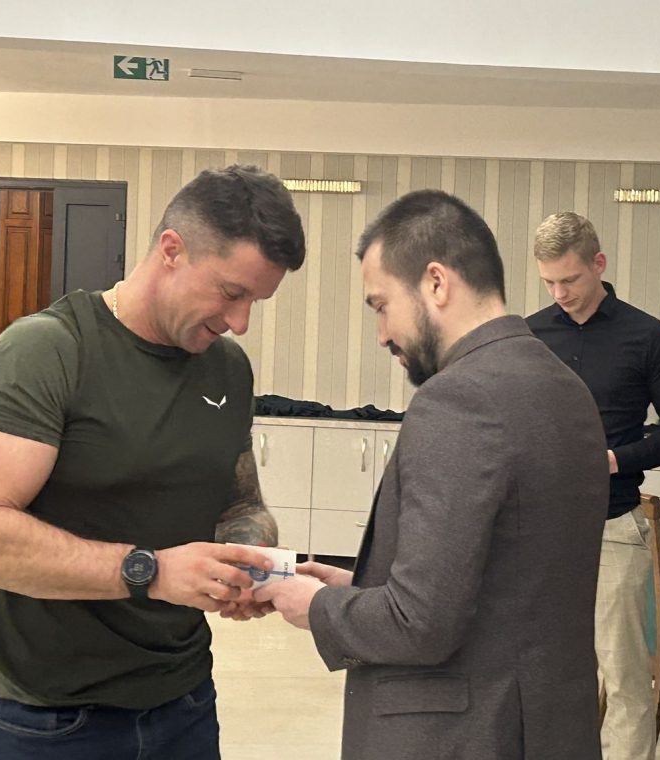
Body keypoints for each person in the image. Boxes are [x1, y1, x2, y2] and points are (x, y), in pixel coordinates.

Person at [0, 166, 306, 760]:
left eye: (255, 302)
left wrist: (247, 562)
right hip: (47, 721)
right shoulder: (47, 351)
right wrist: (150, 572)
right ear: (171, 250)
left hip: (185, 704)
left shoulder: (227, 368)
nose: (239, 322)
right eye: (231, 292)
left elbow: (240, 502)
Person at [256, 190, 609, 760]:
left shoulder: (458, 398)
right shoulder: (564, 387)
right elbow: (510, 581)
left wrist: (314, 606)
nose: (381, 333)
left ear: (437, 283)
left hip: (466, 734)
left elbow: (419, 623)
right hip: (548, 726)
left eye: (381, 305)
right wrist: (360, 589)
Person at [525, 211, 660, 760]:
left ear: (598, 263)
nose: (560, 293)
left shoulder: (646, 335)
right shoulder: (529, 334)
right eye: (549, 282)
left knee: (623, 677)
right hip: (540, 532)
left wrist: (615, 461)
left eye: (570, 279)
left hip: (615, 527)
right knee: (546, 673)